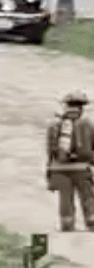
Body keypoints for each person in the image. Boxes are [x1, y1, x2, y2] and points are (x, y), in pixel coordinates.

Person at [47, 91, 94, 231]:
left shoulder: (54, 124)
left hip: (59, 168)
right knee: (87, 197)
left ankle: (67, 225)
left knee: (65, 199)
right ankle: (91, 223)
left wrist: (49, 170)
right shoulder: (88, 124)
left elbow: (50, 150)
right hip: (81, 168)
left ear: (65, 106)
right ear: (81, 107)